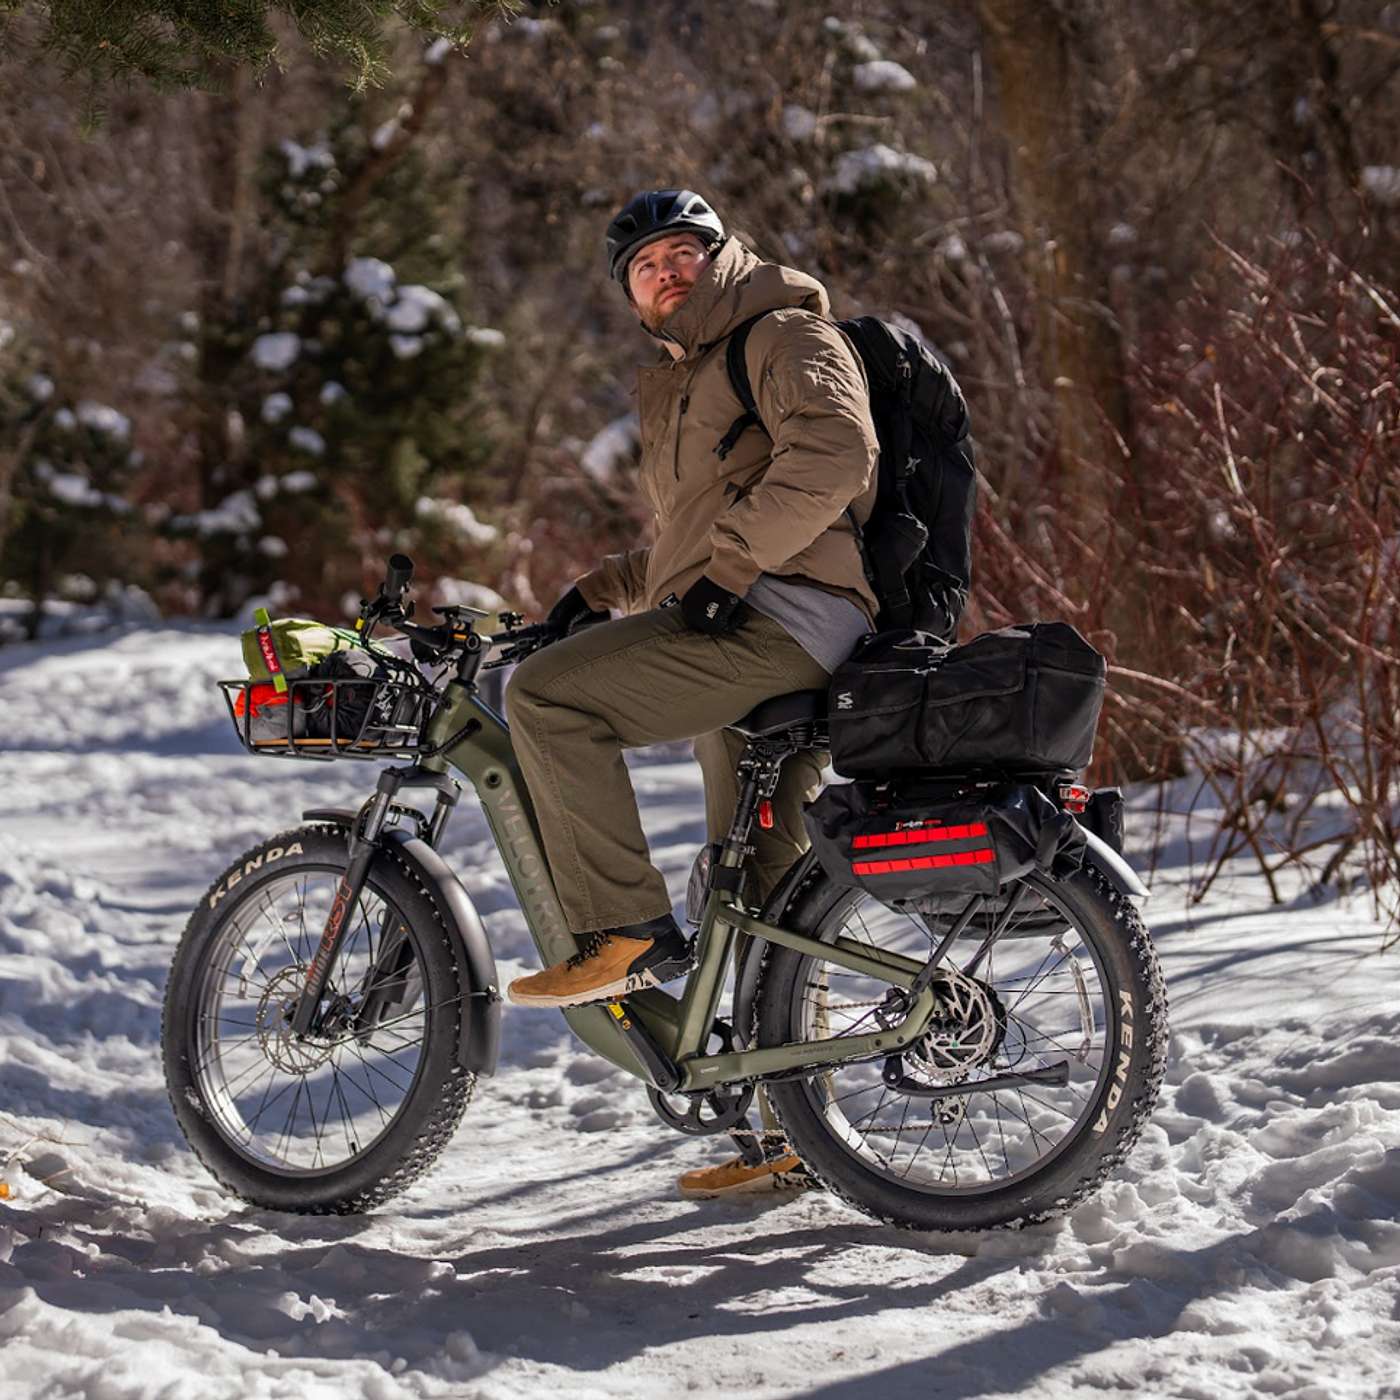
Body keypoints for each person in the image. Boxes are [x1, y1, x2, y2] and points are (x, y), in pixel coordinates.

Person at [505, 189, 879, 1197]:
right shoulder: (693, 379)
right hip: (758, 614)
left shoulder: (780, 331)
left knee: (544, 701)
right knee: (763, 885)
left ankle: (621, 931)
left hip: (786, 617)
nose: (665, 273)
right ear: (631, 298)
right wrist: (602, 589)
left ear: (720, 258)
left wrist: (727, 573)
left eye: (681, 253)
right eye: (644, 267)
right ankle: (795, 1133)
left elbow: (837, 454)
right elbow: (700, 537)